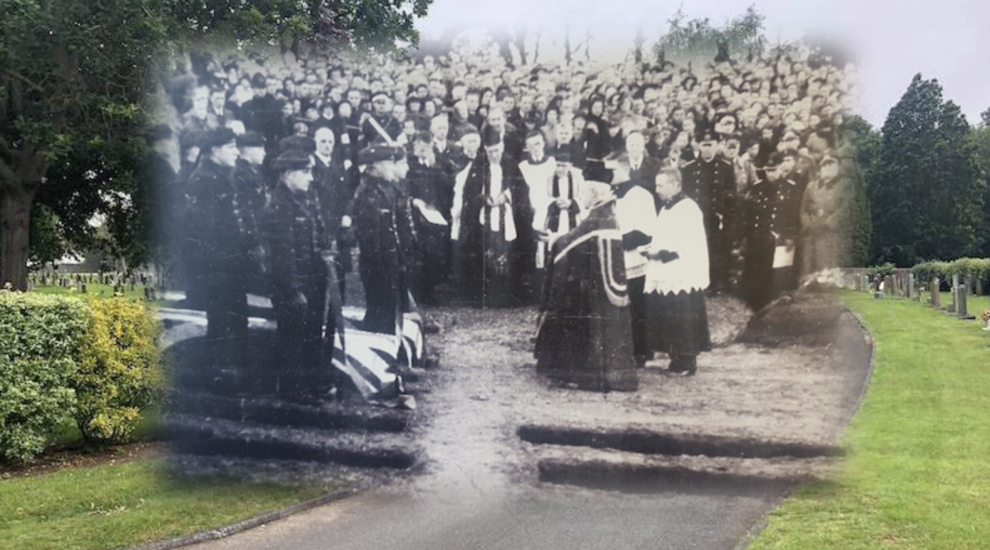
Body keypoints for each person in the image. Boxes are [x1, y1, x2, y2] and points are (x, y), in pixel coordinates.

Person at [535, 179, 637, 392]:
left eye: (584, 193)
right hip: (599, 285)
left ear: (593, 193)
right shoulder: (605, 213)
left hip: (594, 290)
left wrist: (553, 239)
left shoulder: (598, 217)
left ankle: (590, 375)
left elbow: (570, 242)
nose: (581, 197)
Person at [263, 149, 335, 395]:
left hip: (311, 281)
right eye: (304, 172)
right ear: (287, 174)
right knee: (293, 338)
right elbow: (282, 254)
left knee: (311, 334)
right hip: (292, 286)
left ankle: (312, 384)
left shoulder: (302, 198)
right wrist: (293, 289)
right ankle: (293, 390)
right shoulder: (279, 206)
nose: (310, 177)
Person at [182, 127, 250, 369]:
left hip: (230, 263)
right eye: (231, 147)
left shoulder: (224, 175)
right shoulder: (203, 181)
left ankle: (232, 370)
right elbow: (204, 231)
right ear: (214, 150)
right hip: (217, 265)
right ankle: (218, 375)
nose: (236, 152)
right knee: (221, 321)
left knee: (237, 317)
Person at [642, 168, 712, 376]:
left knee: (682, 316)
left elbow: (688, 244)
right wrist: (650, 249)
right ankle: (675, 356)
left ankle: (686, 361)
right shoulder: (666, 208)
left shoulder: (689, 208)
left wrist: (659, 254)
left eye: (661, 185)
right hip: (665, 269)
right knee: (669, 314)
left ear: (675, 185)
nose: (657, 190)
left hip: (682, 270)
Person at [352, 143, 414, 334]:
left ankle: (390, 352)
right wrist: (383, 267)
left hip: (389, 260)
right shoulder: (368, 193)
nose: (392, 167)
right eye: (388, 163)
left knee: (388, 310)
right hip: (377, 264)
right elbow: (370, 238)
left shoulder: (386, 189)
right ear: (376, 166)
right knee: (380, 311)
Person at [605, 151, 657, 368]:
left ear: (626, 169)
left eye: (613, 170)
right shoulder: (610, 194)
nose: (609, 175)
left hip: (634, 260)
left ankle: (641, 353)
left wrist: (617, 242)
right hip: (613, 260)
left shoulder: (641, 195)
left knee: (637, 308)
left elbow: (646, 232)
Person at [800, 152, 852, 277]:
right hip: (812, 235)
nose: (826, 167)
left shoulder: (845, 185)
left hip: (832, 235)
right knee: (809, 271)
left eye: (830, 164)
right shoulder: (811, 187)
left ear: (838, 166)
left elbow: (846, 208)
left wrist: (828, 223)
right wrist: (808, 224)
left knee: (829, 273)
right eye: (823, 165)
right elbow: (803, 210)